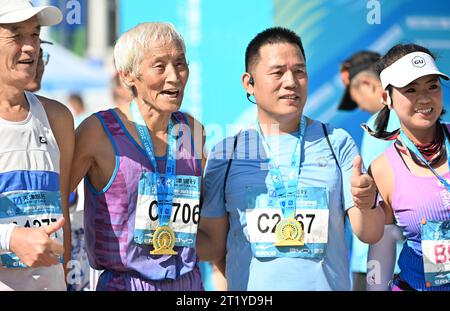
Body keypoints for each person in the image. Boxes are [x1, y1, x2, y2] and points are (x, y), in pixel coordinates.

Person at [197, 27, 384, 290]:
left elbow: (371, 232)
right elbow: (212, 246)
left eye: (299, 71)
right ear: (249, 83)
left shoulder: (337, 142)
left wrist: (367, 204)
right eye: (277, 72)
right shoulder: (226, 154)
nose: (291, 82)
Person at [70, 22, 205, 291]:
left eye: (180, 63)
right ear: (129, 76)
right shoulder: (97, 131)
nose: (174, 77)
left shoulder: (192, 130)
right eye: (160, 66)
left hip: (188, 284)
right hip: (125, 283)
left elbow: (204, 216)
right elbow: (59, 199)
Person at [0, 0, 74, 290]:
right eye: (17, 35)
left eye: (35, 34)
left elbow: (62, 215)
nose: (30, 47)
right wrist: (12, 238)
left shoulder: (57, 117)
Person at [369, 43, 450, 291]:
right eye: (411, 89)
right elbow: (381, 251)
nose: (424, 98)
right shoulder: (382, 169)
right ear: (386, 98)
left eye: (432, 86)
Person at [338, 51, 404, 290]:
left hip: (378, 262)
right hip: (417, 260)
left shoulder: (380, 124)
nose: (358, 106)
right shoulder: (422, 123)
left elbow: (379, 195)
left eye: (356, 98)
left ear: (368, 84)